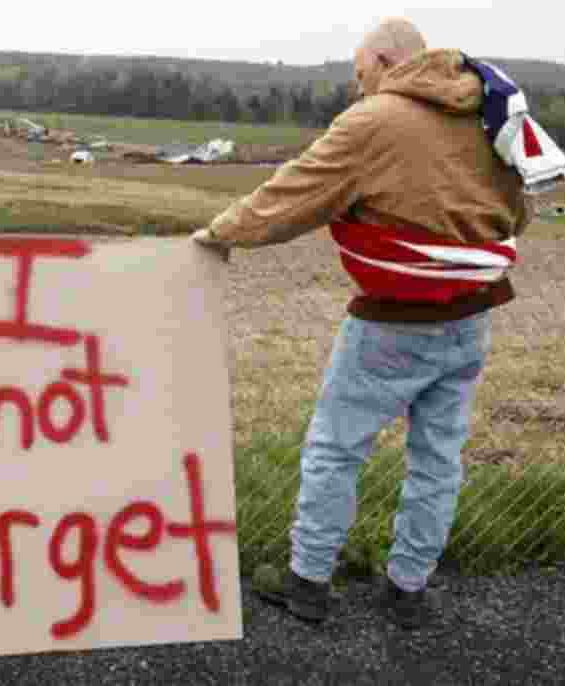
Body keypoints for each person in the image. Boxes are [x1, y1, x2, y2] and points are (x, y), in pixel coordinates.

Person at [192, 17, 535, 629]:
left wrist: (221, 234)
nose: (357, 89)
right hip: (471, 318)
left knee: (335, 449)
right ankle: (408, 590)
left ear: (385, 61)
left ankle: (308, 581)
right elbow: (520, 210)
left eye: (359, 75)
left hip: (391, 324)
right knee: (439, 458)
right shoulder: (489, 112)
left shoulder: (375, 121)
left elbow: (294, 193)